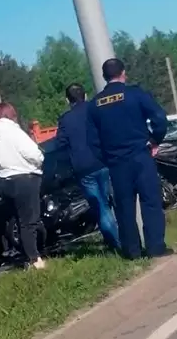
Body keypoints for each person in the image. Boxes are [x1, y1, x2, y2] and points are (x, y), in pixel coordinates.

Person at [87, 58, 173, 260]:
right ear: (123, 73)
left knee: (124, 207)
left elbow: (92, 141)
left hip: (116, 163)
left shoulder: (95, 104)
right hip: (141, 156)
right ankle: (155, 248)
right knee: (150, 202)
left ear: (104, 77)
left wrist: (107, 158)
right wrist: (154, 140)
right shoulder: (135, 94)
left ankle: (132, 251)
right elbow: (159, 118)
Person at [0, 103, 46, 270]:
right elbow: (34, 153)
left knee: (18, 221)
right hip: (25, 179)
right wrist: (39, 160)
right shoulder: (15, 132)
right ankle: (35, 260)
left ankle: (28, 257)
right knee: (29, 221)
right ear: (11, 115)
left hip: (3, 182)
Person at [56, 82, 120, 251]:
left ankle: (115, 243)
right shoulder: (97, 109)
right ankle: (127, 237)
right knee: (115, 201)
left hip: (83, 168)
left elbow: (60, 144)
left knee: (100, 206)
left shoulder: (65, 120)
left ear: (67, 100)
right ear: (85, 95)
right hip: (104, 161)